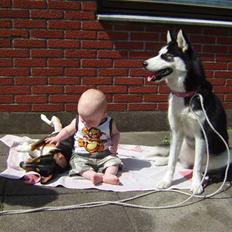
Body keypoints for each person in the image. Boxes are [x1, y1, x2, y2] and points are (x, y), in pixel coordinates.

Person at [45, 89, 122, 185]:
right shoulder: (78, 121)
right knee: (77, 165)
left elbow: (116, 134)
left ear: (103, 115)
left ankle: (109, 175)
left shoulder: (109, 123)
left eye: (91, 121)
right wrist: (57, 138)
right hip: (81, 156)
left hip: (104, 155)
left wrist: (114, 144)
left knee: (113, 162)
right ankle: (92, 175)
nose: (85, 123)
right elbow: (67, 130)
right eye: (82, 118)